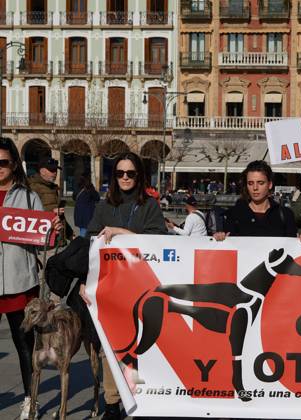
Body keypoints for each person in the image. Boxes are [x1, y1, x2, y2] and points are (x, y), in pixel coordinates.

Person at [79, 152, 167, 420]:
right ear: (113, 176)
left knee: (142, 344)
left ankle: (143, 397)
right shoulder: (104, 206)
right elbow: (90, 247)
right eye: (120, 173)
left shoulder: (150, 205)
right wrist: (85, 283)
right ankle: (112, 402)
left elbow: (159, 241)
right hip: (109, 286)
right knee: (110, 347)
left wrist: (121, 233)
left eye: (130, 173)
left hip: (142, 284)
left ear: (139, 175)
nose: (125, 178)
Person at [0, 139, 62, 419]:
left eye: (3, 162)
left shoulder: (27, 197)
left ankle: (30, 399)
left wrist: (53, 230)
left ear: (13, 164)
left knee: (23, 344)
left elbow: (44, 241)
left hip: (19, 282)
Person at [214, 160, 297, 240]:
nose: (255, 188)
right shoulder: (234, 214)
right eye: (250, 183)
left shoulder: (285, 215)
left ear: (270, 184)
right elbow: (229, 249)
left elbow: (292, 248)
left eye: (260, 183)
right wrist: (219, 239)